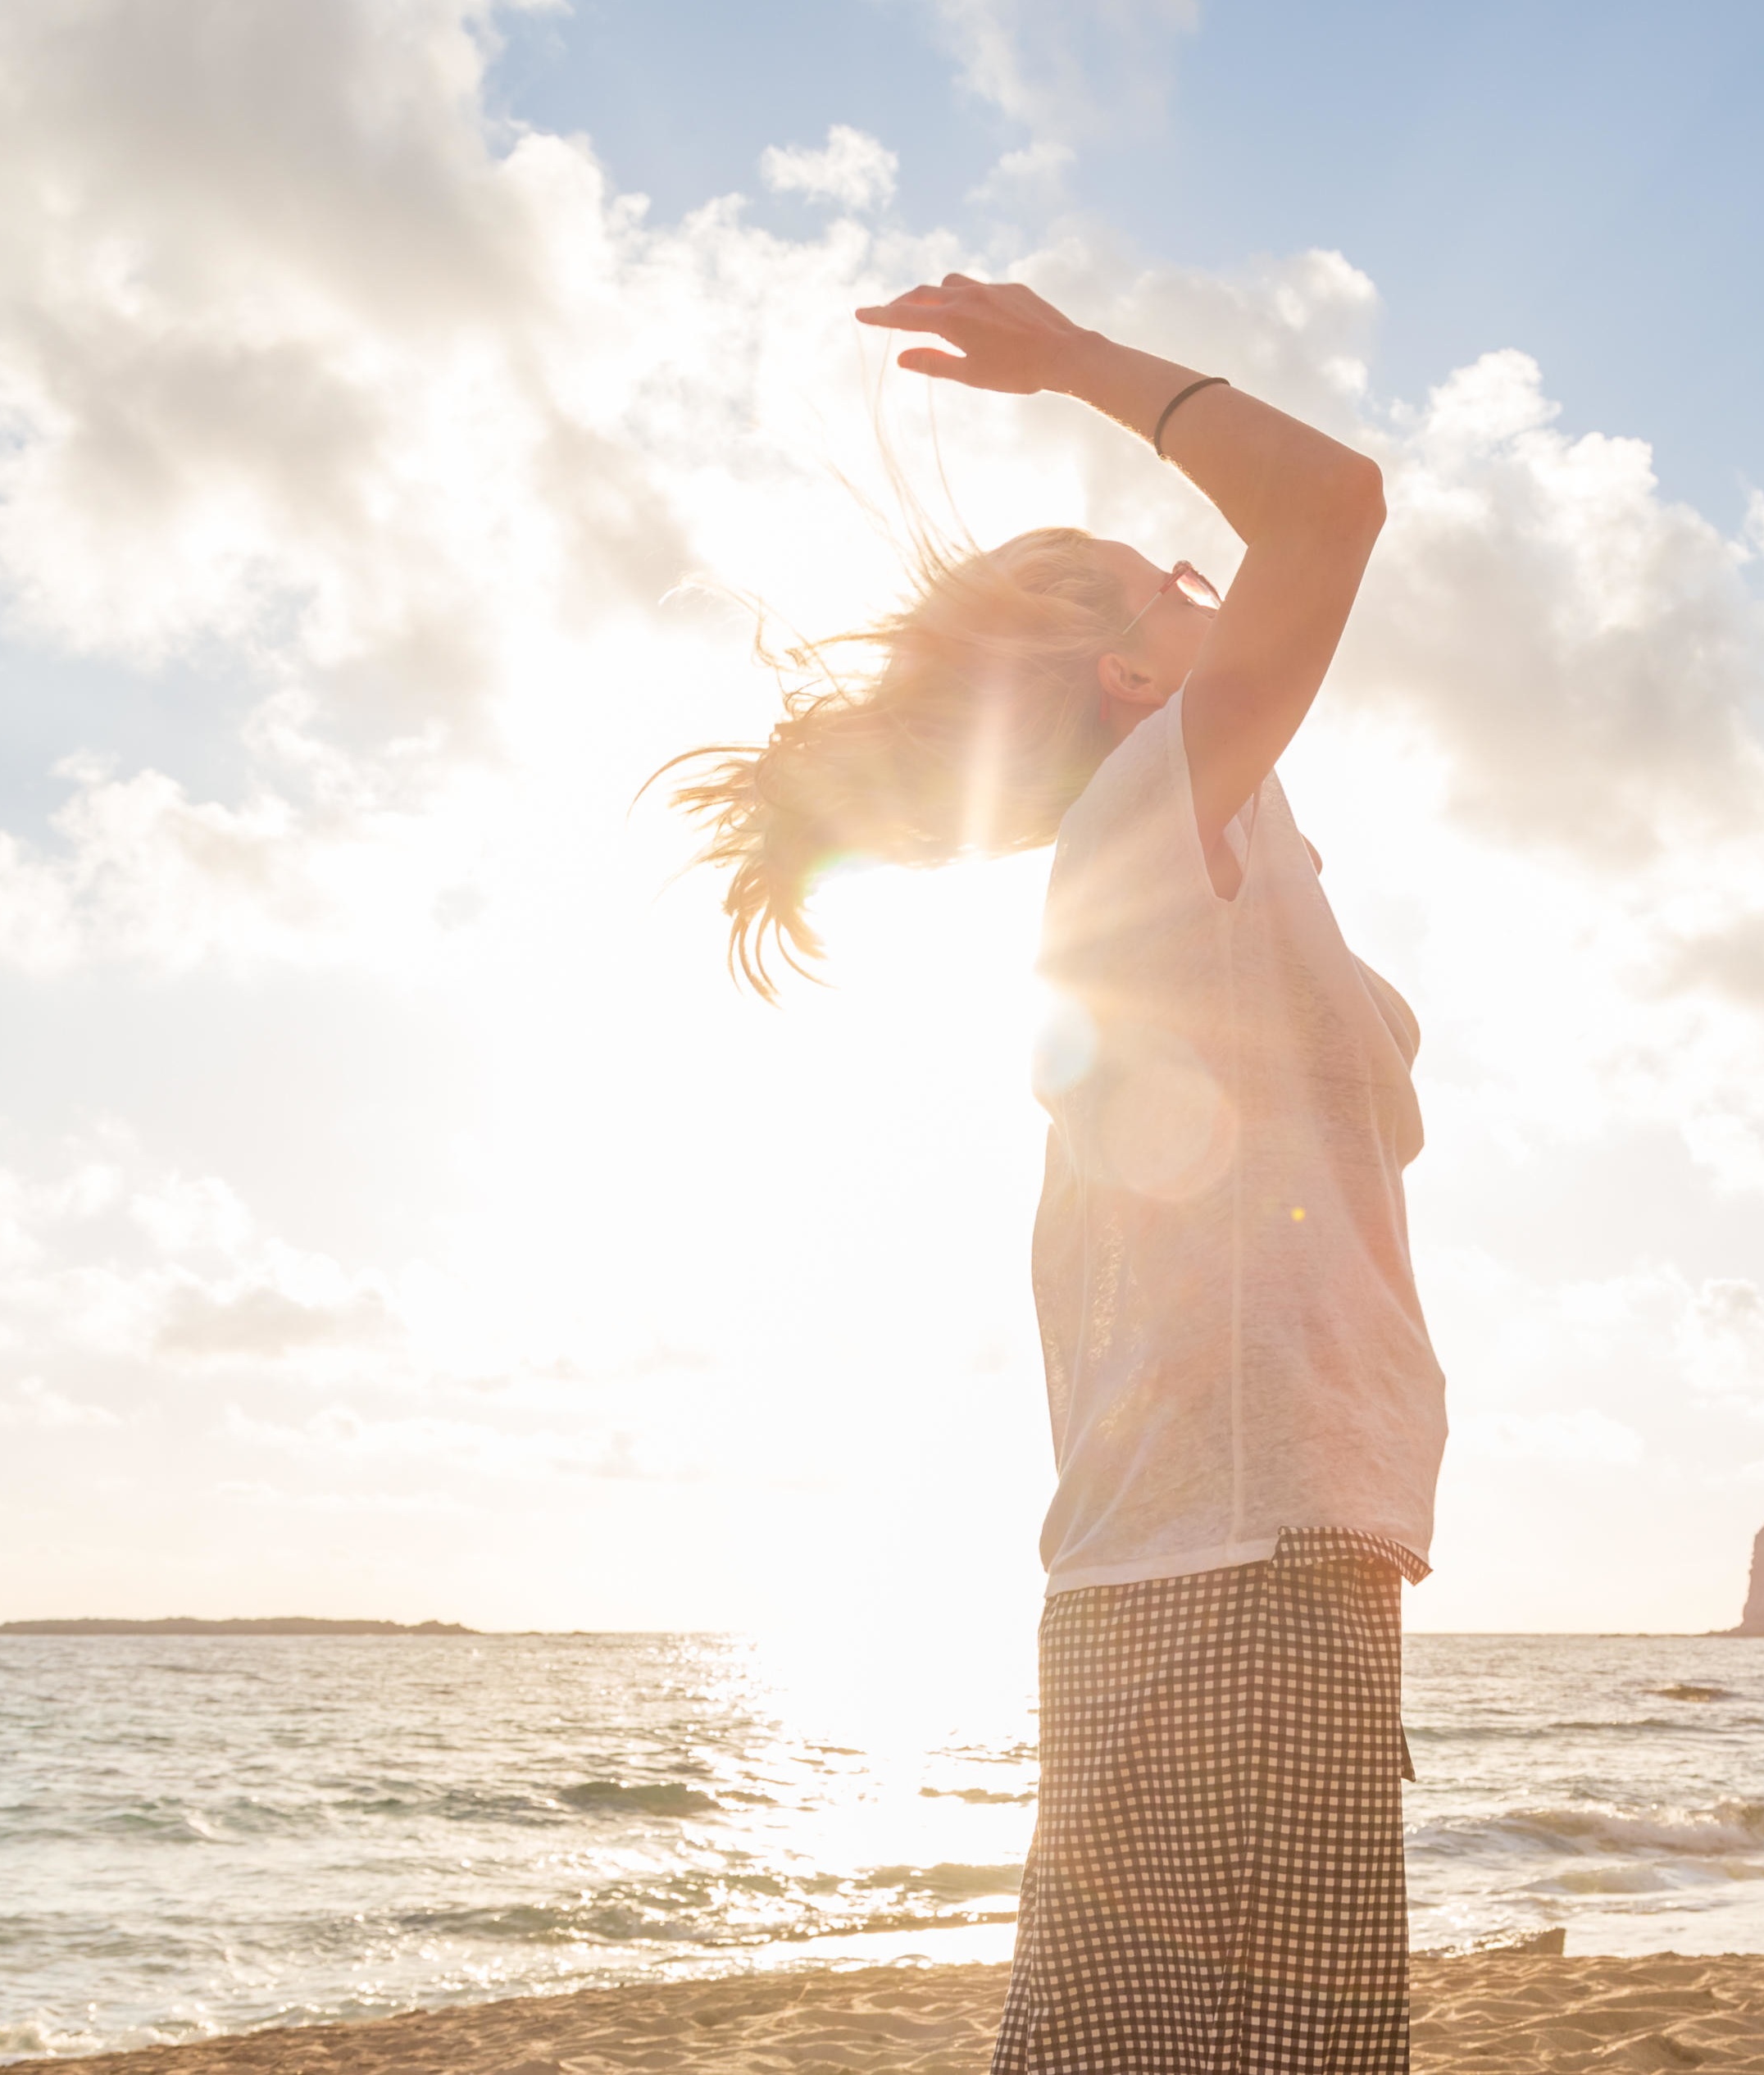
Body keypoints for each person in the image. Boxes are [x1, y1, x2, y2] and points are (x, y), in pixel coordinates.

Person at [654, 275, 1446, 2075]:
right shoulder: (1148, 828)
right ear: (1126, 673)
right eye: (1178, 582)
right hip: (1240, 1563)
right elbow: (1328, 504)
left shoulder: (1191, 846)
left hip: (1214, 1558)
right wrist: (1073, 359)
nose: (1213, 584)